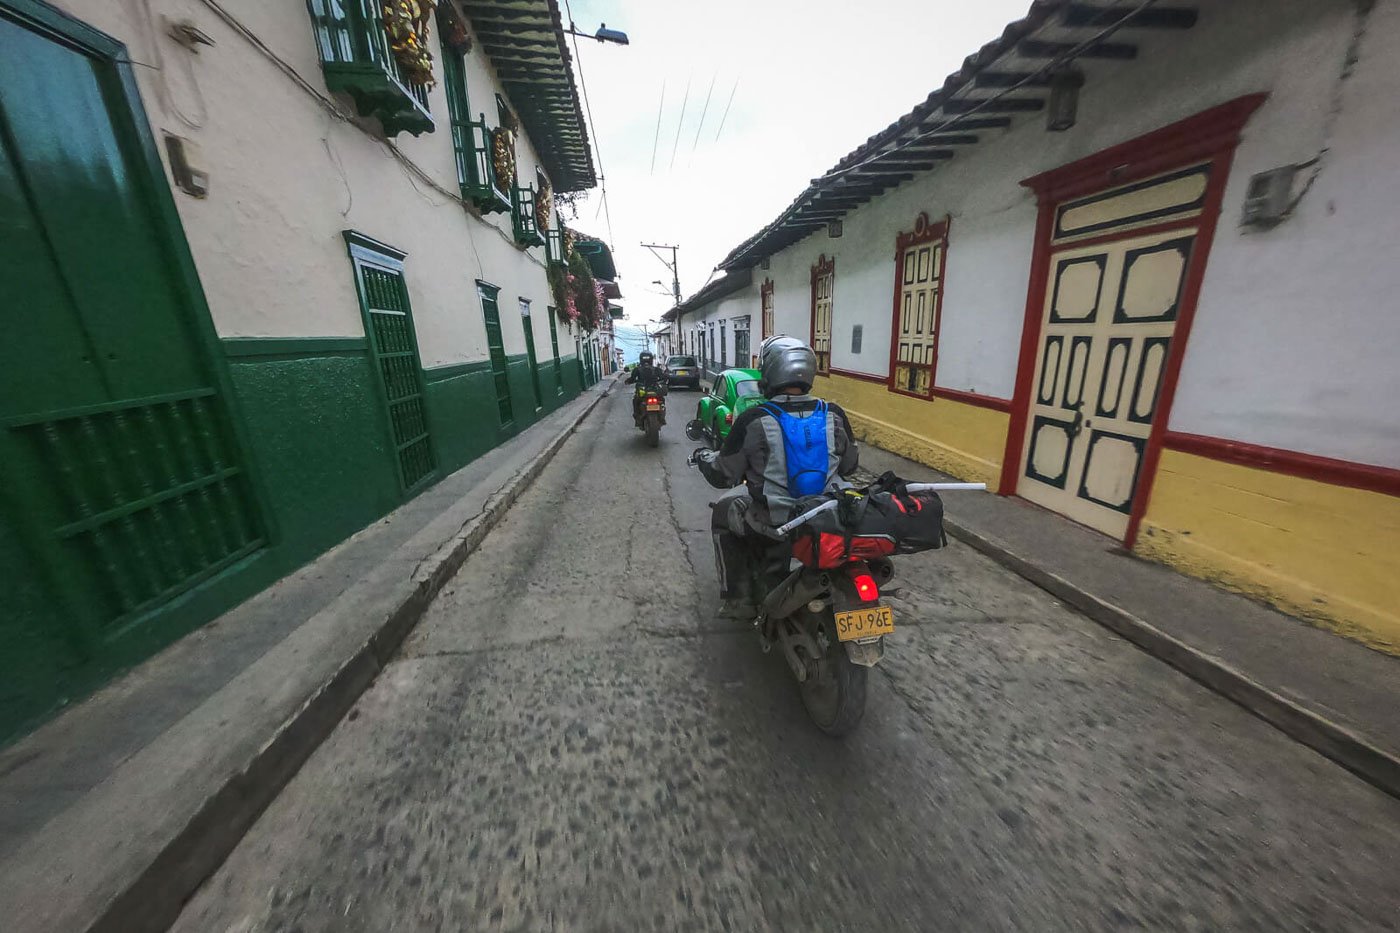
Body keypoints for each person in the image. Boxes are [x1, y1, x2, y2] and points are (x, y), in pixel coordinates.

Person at [695, 336, 858, 619]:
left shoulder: (753, 419)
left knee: (723, 511)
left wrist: (702, 458)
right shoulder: (833, 414)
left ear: (769, 372)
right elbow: (851, 466)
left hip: (776, 521)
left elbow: (723, 474)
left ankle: (740, 599)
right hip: (830, 514)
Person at [625, 351, 666, 423]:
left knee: (636, 400)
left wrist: (628, 381)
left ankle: (637, 416)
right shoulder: (656, 369)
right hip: (654, 390)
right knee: (662, 399)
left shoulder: (637, 369)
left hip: (643, 391)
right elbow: (663, 378)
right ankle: (662, 417)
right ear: (651, 359)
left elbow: (632, 379)